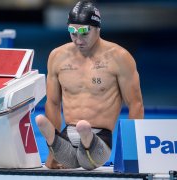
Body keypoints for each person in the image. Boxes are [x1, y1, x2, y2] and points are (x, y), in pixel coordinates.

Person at [35, 0, 144, 170]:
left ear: (98, 28)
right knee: (64, 151)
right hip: (68, 135)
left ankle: (86, 138)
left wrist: (133, 154)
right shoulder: (57, 56)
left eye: (84, 33)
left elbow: (135, 104)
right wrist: (51, 155)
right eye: (73, 33)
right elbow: (53, 104)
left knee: (87, 159)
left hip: (100, 137)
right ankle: (54, 141)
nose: (78, 40)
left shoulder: (120, 57)